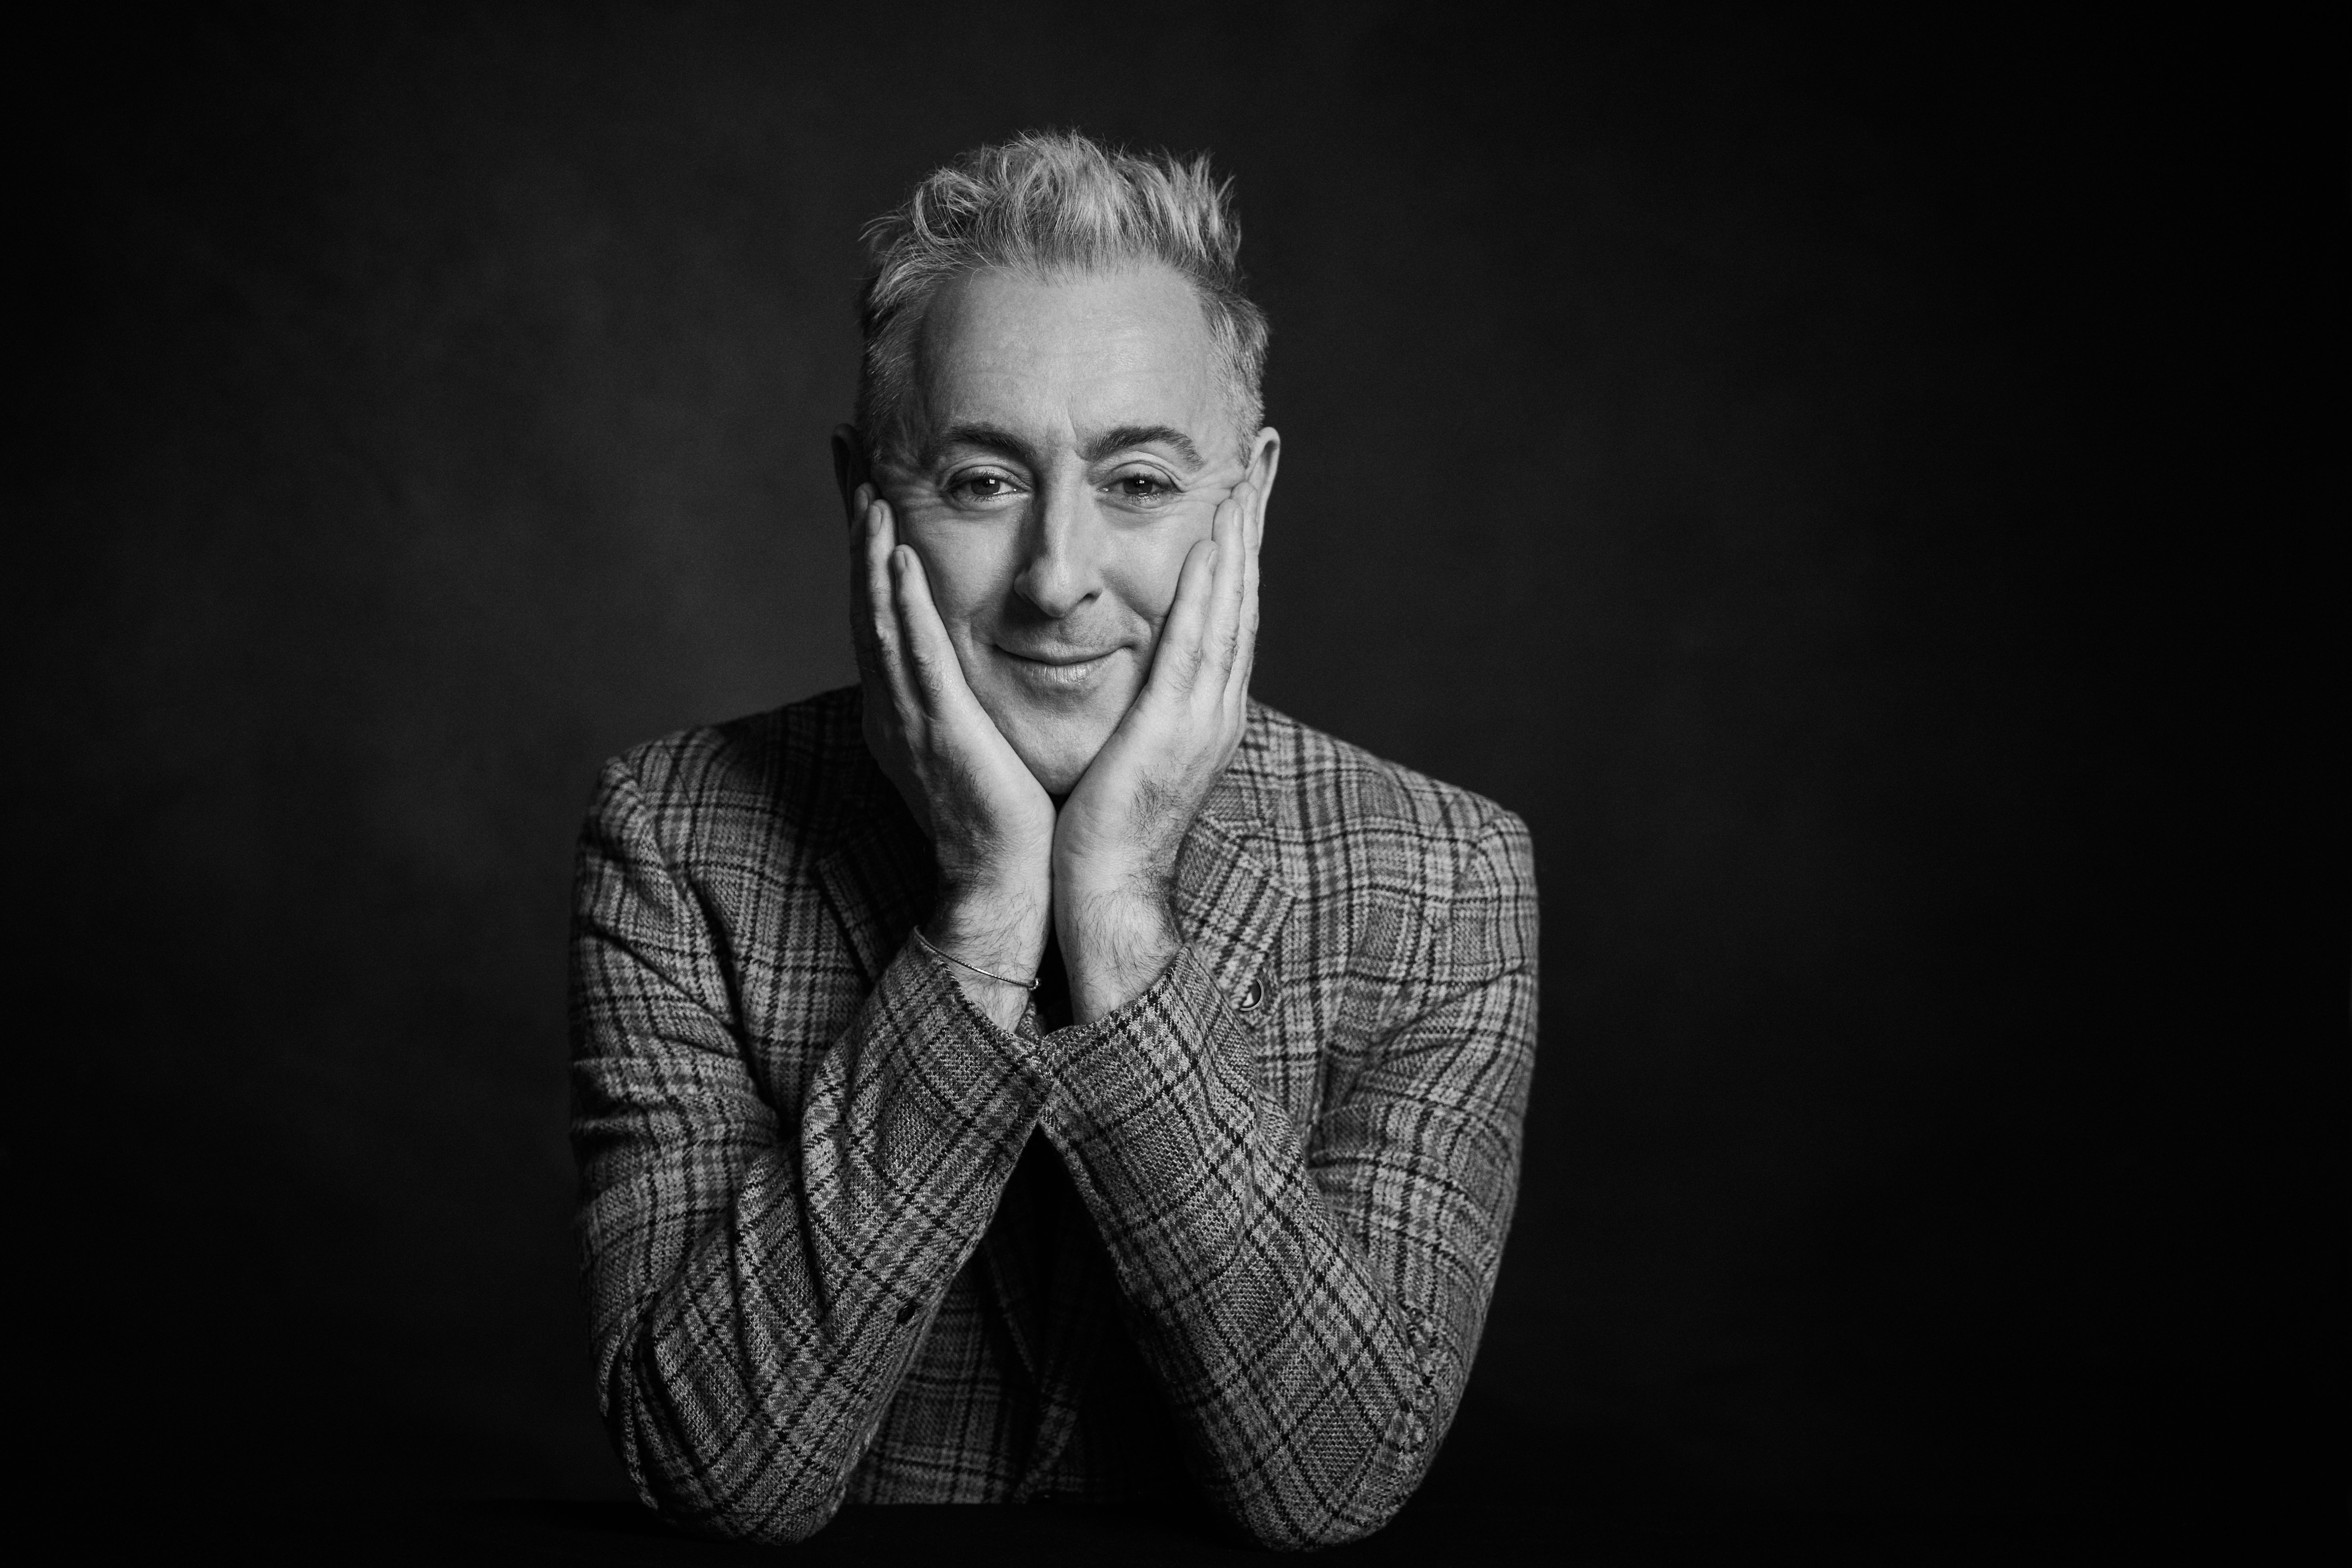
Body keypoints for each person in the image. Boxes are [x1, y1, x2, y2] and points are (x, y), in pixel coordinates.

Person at [568, 130, 1539, 1550]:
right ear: (865, 500)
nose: (1057, 578)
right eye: (982, 481)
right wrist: (981, 911)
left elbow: (1333, 1485)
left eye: (1138, 482)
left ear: (1249, 500)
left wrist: (1118, 902)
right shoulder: (673, 837)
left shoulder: (1446, 874)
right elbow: (716, 1469)